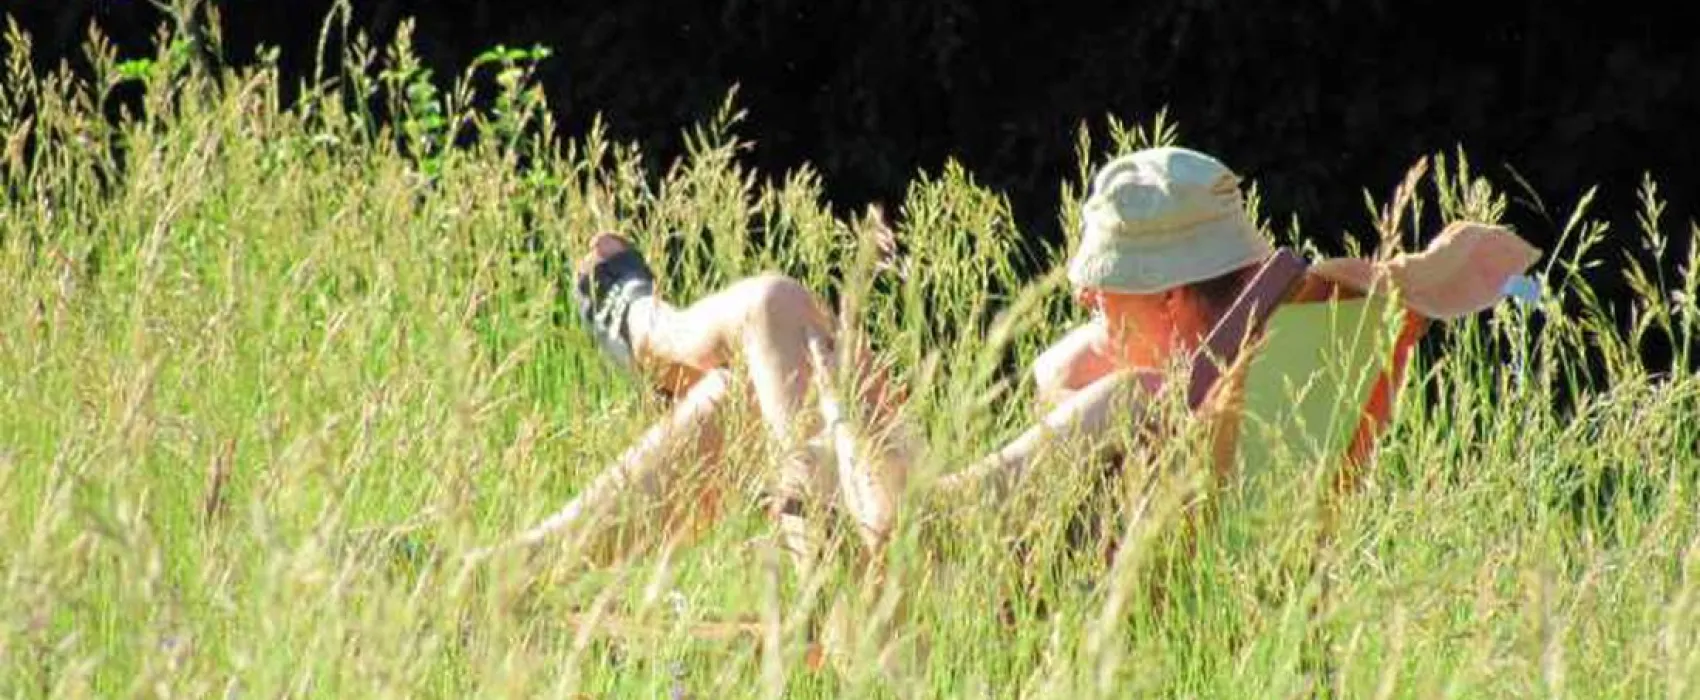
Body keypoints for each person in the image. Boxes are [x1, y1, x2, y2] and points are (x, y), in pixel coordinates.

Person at [492, 146, 1280, 577]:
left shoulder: (1142, 396)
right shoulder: (1257, 369)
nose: (1088, 302)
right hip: (933, 576)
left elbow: (913, 526)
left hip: (892, 600)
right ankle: (505, 575)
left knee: (773, 305)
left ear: (1172, 298)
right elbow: (1394, 277)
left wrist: (842, 410)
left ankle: (642, 327)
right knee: (733, 393)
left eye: (1108, 287)